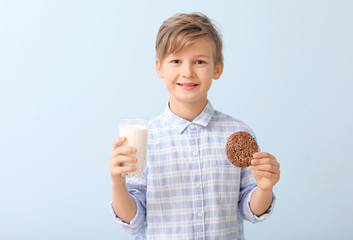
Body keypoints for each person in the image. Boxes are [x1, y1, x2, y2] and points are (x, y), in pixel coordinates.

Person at [109, 12, 280, 239]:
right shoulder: (143, 139)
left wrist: (265, 188)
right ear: (160, 68)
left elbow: (251, 210)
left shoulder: (239, 133)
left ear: (217, 68)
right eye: (176, 61)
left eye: (199, 61)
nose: (187, 72)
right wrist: (117, 183)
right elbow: (134, 219)